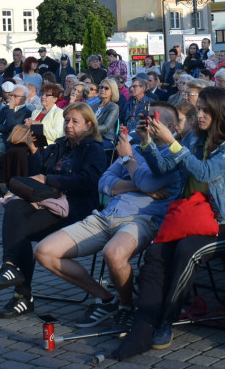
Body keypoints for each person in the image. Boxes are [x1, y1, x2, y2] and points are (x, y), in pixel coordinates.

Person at [111, 89, 225, 359]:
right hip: (191, 217)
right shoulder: (194, 139)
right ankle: (145, 322)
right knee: (156, 253)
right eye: (198, 109)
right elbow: (163, 168)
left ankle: (166, 319)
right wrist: (147, 143)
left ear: (220, 113)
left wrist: (173, 142)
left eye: (205, 110)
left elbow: (206, 172)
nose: (199, 115)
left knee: (188, 250)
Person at [35, 102, 184, 331]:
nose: (145, 124)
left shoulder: (173, 156)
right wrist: (137, 186)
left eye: (152, 120)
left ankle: (126, 305)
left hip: (142, 219)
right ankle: (106, 299)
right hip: (106, 215)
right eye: (144, 119)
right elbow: (103, 182)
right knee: (44, 252)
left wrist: (127, 160)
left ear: (170, 126)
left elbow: (149, 181)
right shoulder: (133, 145)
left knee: (113, 253)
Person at [0, 102, 105, 318]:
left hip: (75, 207)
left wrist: (50, 179)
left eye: (74, 121)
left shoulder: (93, 149)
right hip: (48, 200)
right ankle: (10, 268)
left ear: (88, 125)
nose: (68, 125)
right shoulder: (60, 145)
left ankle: (21, 294)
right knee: (14, 206)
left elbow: (89, 182)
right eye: (66, 120)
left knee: (20, 229)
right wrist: (33, 152)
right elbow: (37, 173)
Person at [91, 78, 121, 149]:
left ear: (112, 92)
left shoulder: (114, 107)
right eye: (101, 87)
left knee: (88, 145)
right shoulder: (93, 106)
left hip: (106, 138)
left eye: (106, 88)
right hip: (92, 137)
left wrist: (89, 130)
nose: (103, 89)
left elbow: (106, 127)